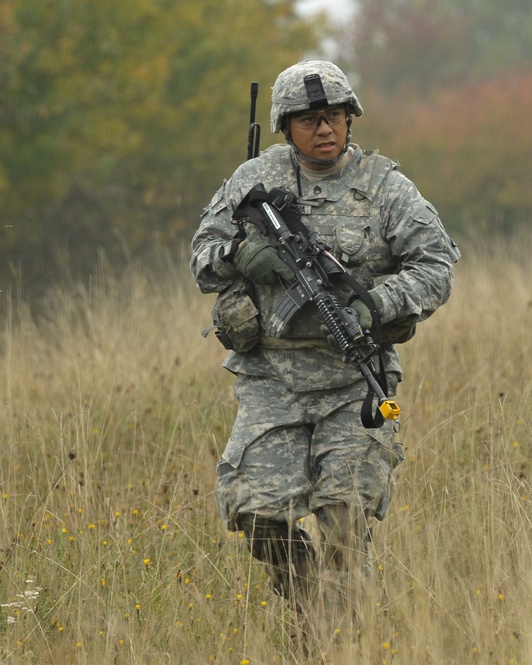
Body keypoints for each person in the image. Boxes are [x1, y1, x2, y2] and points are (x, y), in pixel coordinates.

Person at [191, 60, 460, 637]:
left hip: (353, 381)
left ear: (350, 119)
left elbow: (437, 264)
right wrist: (241, 256)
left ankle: (337, 638)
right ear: (286, 126)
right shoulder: (254, 180)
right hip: (273, 382)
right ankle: (307, 601)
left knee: (345, 519)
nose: (325, 129)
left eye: (334, 116)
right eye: (310, 120)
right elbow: (202, 255)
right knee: (257, 514)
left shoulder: (385, 186)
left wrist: (379, 304)